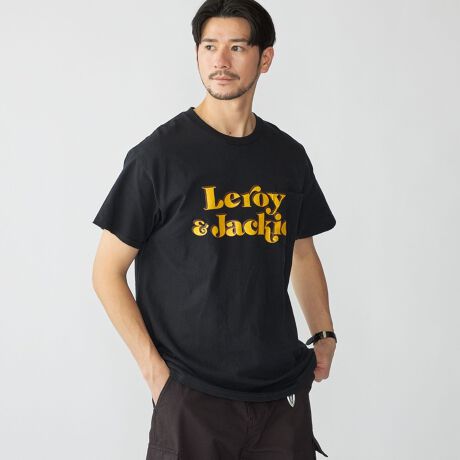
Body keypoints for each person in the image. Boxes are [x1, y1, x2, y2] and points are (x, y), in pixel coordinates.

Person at [91, 0, 337, 458]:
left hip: (280, 394)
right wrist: (155, 374)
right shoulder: (158, 158)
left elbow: (301, 250)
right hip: (193, 396)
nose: (220, 61)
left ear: (265, 58)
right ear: (197, 54)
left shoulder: (287, 157)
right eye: (209, 46)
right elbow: (106, 272)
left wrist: (323, 332)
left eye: (237, 47)